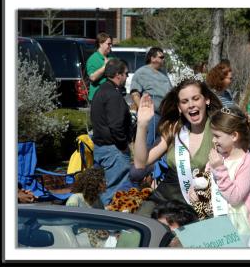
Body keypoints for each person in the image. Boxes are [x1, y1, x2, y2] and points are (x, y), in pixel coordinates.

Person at [133, 78, 222, 217]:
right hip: (165, 199)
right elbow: (140, 163)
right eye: (185, 101)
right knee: (135, 233)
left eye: (196, 98)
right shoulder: (175, 129)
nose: (191, 105)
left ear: (207, 100)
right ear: (180, 108)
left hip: (201, 205)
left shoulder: (219, 130)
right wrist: (142, 125)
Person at [196, 106, 250, 238]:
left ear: (234, 136)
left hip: (239, 222)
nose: (213, 140)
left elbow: (235, 198)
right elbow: (206, 180)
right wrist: (196, 189)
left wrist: (219, 168)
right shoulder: (219, 156)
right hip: (216, 218)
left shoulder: (248, 162)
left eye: (217, 136)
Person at [90, 58, 136, 206]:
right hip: (113, 150)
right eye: (126, 74)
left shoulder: (101, 91)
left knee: (105, 190)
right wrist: (123, 146)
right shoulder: (112, 95)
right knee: (114, 193)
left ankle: (103, 225)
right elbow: (116, 126)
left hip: (102, 148)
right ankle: (110, 228)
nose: (127, 77)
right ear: (118, 75)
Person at [130, 47, 172, 149]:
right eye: (161, 57)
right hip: (152, 114)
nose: (163, 59)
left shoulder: (163, 73)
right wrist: (143, 110)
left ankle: (159, 163)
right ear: (152, 58)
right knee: (150, 141)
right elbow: (135, 93)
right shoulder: (141, 72)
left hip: (166, 113)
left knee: (163, 141)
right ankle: (146, 162)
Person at [86, 32, 112, 101]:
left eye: (111, 44)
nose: (110, 46)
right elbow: (92, 77)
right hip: (97, 98)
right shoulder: (93, 59)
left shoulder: (111, 57)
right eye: (108, 44)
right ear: (100, 44)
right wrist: (104, 67)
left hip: (109, 97)